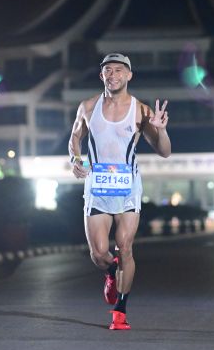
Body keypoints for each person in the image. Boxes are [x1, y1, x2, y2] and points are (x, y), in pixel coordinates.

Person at [68, 53, 171, 330]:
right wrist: (76, 160)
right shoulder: (88, 107)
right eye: (108, 70)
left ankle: (120, 311)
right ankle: (112, 271)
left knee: (125, 246)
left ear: (129, 75)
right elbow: (75, 137)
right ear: (101, 75)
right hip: (97, 187)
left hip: (128, 188)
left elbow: (164, 152)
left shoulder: (141, 111)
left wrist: (161, 131)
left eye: (118, 70)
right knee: (99, 253)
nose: (113, 75)